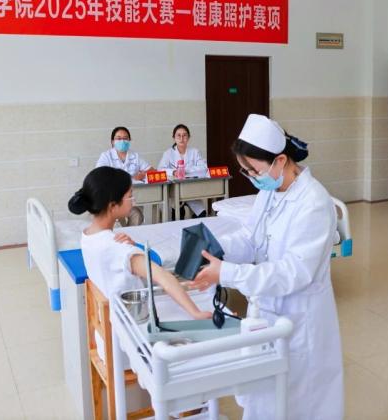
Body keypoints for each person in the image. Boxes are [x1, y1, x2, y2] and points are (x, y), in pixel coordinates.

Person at [191, 114, 343, 420]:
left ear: (280, 161)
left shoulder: (314, 202)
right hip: (267, 313)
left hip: (300, 319)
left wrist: (228, 273)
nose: (251, 177)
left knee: (297, 403)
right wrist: (215, 249)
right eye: (245, 170)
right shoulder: (269, 191)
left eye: (253, 170)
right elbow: (251, 238)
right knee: (264, 400)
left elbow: (293, 273)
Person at [69, 166, 211, 320]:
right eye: (130, 196)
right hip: (133, 322)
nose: (133, 201)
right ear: (113, 206)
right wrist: (196, 313)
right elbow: (163, 278)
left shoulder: (88, 235)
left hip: (111, 316)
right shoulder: (119, 249)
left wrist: (132, 248)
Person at [95, 126, 154, 226]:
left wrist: (143, 174)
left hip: (131, 200)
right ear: (112, 141)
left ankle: (130, 235)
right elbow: (99, 175)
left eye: (125, 138)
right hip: (112, 201)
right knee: (116, 221)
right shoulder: (106, 156)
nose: (122, 141)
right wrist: (132, 178)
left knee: (137, 215)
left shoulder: (135, 156)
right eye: (118, 138)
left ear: (129, 140)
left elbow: (152, 170)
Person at [158, 124, 209, 219]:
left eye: (184, 135)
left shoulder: (195, 152)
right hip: (175, 192)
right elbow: (160, 169)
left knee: (202, 213)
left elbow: (203, 168)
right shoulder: (168, 153)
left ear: (188, 137)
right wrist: (173, 172)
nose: (181, 138)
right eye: (178, 135)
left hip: (191, 191)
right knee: (178, 215)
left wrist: (185, 171)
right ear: (174, 138)